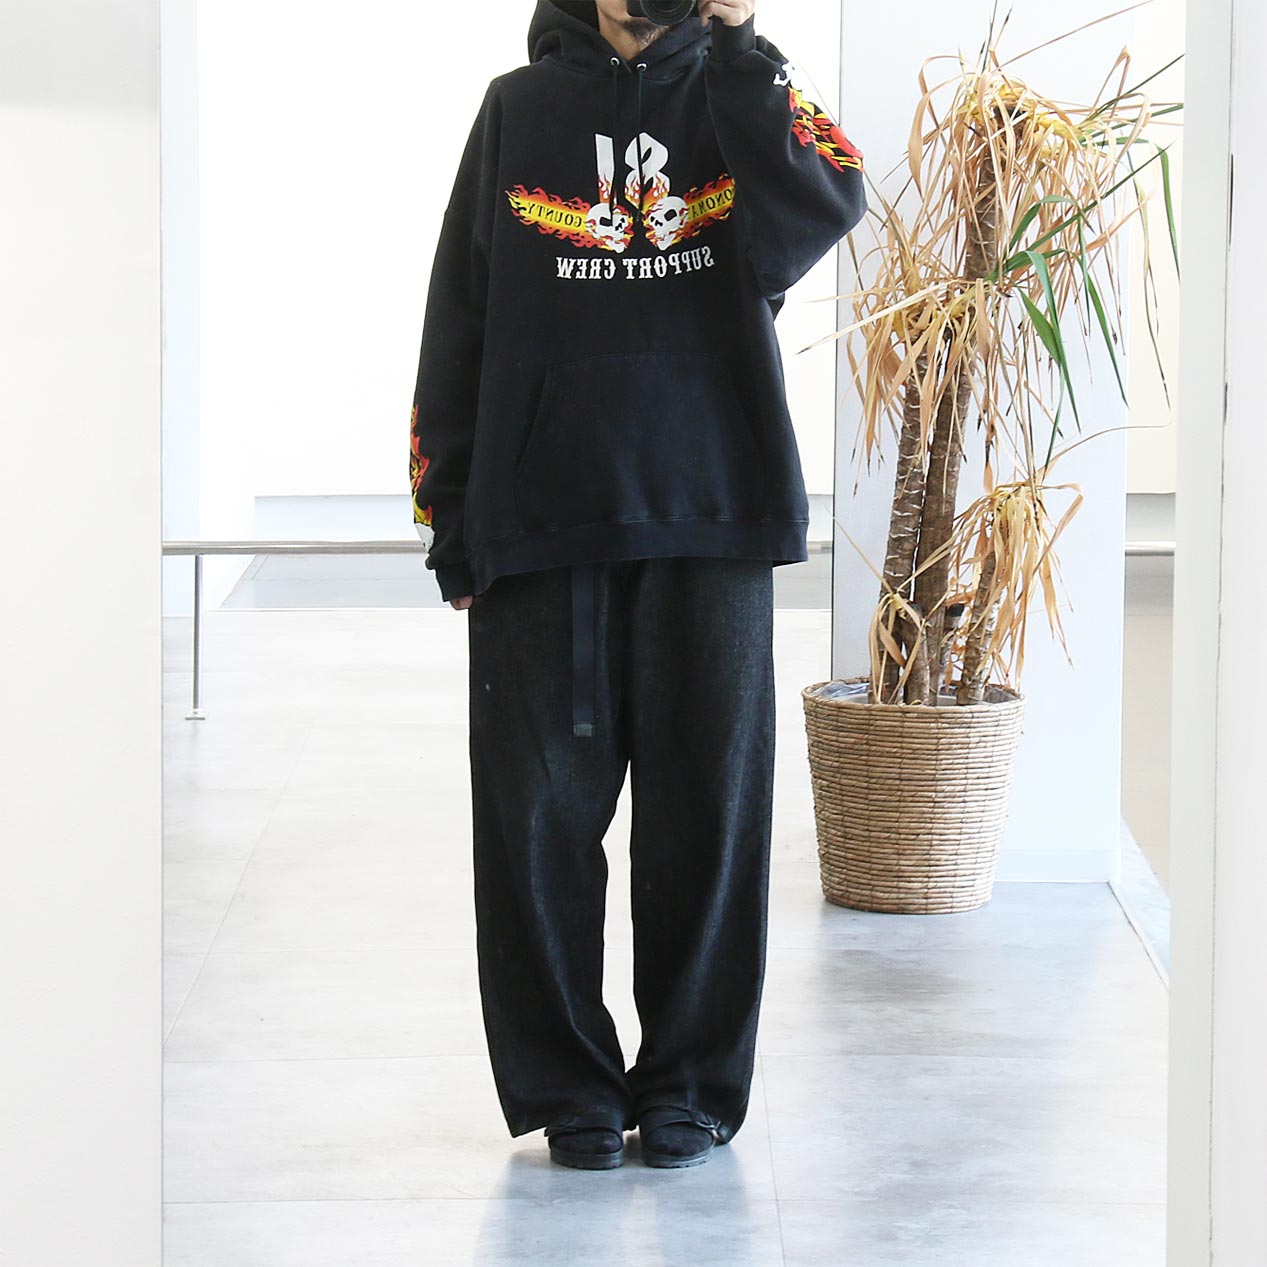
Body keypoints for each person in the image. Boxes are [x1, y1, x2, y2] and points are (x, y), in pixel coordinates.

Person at [409, 0, 865, 1170]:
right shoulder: (516, 111)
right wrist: (451, 514)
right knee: (532, 828)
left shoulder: (741, 95)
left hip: (712, 515)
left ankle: (691, 1084)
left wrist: (742, 46)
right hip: (537, 525)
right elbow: (457, 315)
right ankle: (567, 1085)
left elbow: (827, 201)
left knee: (708, 821)